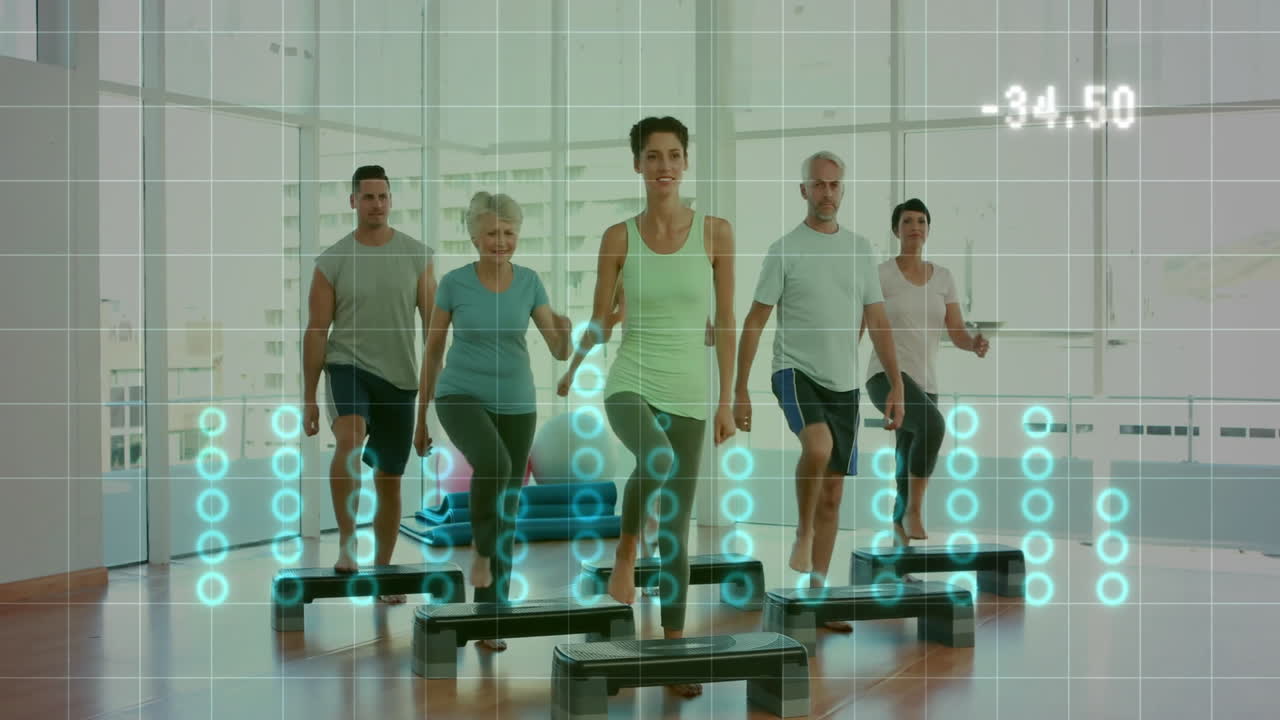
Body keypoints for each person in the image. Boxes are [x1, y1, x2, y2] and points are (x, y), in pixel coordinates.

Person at [557, 116, 736, 699]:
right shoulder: (618, 236)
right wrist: (572, 367)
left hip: (689, 390)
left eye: (674, 155)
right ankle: (627, 548)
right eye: (653, 156)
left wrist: (731, 395)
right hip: (629, 381)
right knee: (655, 460)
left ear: (686, 163)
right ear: (638, 165)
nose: (664, 166)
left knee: (680, 527)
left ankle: (673, 648)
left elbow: (726, 320)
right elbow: (602, 316)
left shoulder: (716, 233)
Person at [733, 152, 905, 618]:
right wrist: (739, 389)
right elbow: (754, 321)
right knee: (817, 446)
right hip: (794, 371)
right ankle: (802, 533)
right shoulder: (784, 249)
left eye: (834, 186)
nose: (826, 193)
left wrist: (896, 384)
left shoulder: (859, 250)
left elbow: (878, 319)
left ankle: (815, 595)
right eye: (818, 185)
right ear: (803, 191)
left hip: (844, 385)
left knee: (833, 494)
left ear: (842, 191)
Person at [415, 191, 572, 650]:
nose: (500, 241)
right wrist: (420, 416)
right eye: (491, 233)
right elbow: (433, 351)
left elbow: (559, 349)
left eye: (508, 233)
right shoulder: (454, 283)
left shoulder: (530, 283)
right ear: (473, 235)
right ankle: (480, 554)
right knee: (494, 462)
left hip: (518, 401)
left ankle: (490, 619)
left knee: (506, 503)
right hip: (459, 393)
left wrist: (564, 326)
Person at [303, 165, 435, 604]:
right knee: (350, 439)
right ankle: (345, 543)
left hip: (399, 378)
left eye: (383, 197)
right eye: (368, 197)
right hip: (347, 367)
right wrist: (307, 396)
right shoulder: (333, 261)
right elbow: (317, 331)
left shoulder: (417, 256)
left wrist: (429, 401)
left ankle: (383, 568)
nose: (376, 204)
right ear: (353, 202)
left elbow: (433, 328)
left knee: (390, 479)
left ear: (390, 200)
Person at [863, 198, 989, 546]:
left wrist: (973, 343)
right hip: (885, 378)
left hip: (925, 381)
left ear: (928, 230)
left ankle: (899, 555)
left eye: (921, 221)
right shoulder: (881, 275)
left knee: (904, 461)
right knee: (934, 425)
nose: (915, 227)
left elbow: (956, 331)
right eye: (907, 222)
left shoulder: (944, 278)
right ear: (896, 230)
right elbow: (863, 323)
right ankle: (916, 510)